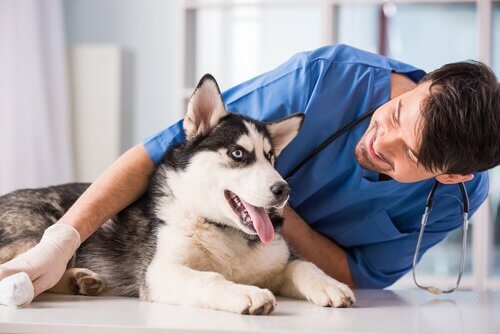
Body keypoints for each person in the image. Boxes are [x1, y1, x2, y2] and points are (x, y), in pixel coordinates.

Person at [1, 44, 499, 298]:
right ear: (424, 82)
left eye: (404, 152)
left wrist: (275, 207)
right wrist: (62, 239)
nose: (377, 139)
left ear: (450, 177)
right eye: (394, 112)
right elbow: (160, 151)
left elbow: (358, 277)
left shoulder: (462, 199)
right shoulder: (324, 77)